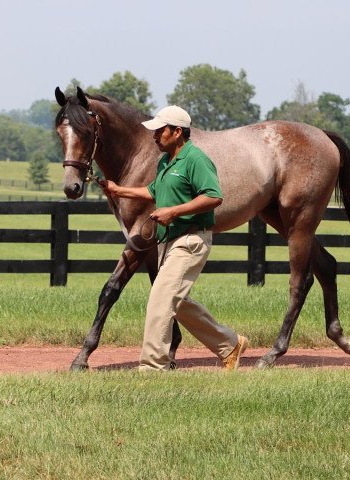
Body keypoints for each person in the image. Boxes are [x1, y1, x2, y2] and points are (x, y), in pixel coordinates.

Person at [99, 105, 248, 371]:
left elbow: (214, 196)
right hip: (169, 242)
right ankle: (230, 345)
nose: (154, 137)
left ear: (177, 132)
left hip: (191, 241)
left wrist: (173, 211)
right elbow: (154, 191)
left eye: (160, 131)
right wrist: (118, 190)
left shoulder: (196, 159)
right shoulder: (166, 162)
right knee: (176, 302)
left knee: (160, 298)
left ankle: (154, 365)